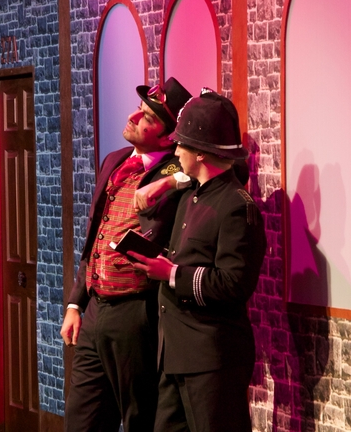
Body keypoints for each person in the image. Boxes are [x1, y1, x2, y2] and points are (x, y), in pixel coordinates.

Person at [60, 77, 193, 432]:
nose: (134, 117)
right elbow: (95, 236)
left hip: (136, 312)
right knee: (82, 419)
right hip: (95, 309)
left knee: (140, 417)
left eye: (147, 117)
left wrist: (168, 181)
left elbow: (229, 169)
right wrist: (74, 303)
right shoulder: (115, 160)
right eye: (139, 109)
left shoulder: (178, 168)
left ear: (167, 137)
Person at [130, 88, 267, 432]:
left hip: (211, 359)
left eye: (182, 145)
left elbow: (234, 284)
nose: (175, 151)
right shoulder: (190, 194)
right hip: (175, 354)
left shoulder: (237, 207)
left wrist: (171, 273)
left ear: (201, 153)